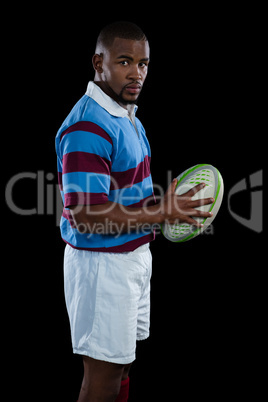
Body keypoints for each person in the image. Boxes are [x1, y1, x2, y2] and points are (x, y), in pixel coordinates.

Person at [55, 21, 214, 402]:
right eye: (125, 61)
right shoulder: (87, 126)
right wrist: (163, 212)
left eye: (143, 63)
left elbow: (122, 196)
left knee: (121, 366)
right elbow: (86, 215)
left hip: (132, 258)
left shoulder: (127, 115)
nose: (137, 73)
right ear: (99, 62)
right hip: (101, 266)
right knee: (103, 378)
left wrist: (163, 205)